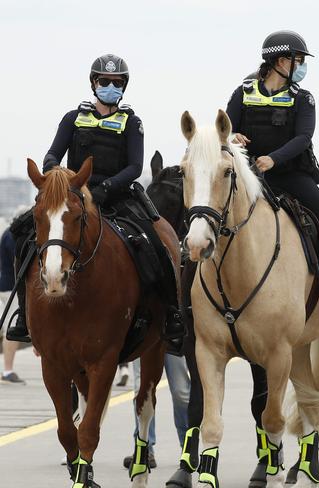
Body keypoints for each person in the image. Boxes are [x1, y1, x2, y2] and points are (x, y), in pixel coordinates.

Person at [5, 54, 185, 354]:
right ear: (93, 83)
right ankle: (24, 316)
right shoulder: (73, 118)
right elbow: (52, 156)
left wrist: (104, 189)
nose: (110, 87)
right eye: (104, 81)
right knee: (22, 235)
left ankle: (171, 316)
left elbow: (134, 167)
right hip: (75, 197)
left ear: (124, 87)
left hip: (116, 197)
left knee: (155, 242)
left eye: (117, 83)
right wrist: (59, 177)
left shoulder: (131, 122)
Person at [226, 30, 319, 317]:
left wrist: (273, 160)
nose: (301, 66)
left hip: (289, 175)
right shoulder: (242, 93)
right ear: (278, 61)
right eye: (297, 59)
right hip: (250, 176)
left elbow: (303, 138)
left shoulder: (303, 98)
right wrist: (234, 136)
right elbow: (226, 129)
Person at [0, 216, 26, 385]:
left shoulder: (5, 234)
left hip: (3, 283)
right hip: (11, 288)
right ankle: (8, 371)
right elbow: (17, 262)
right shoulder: (13, 236)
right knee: (12, 328)